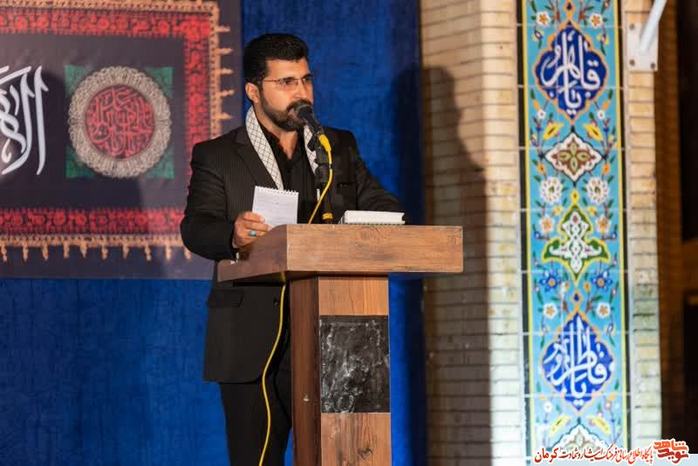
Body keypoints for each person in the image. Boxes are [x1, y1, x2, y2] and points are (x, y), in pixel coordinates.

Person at [180, 33, 402, 465]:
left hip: (335, 333)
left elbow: (383, 206)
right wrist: (233, 234)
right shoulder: (218, 155)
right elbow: (195, 228)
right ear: (253, 91)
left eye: (305, 80)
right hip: (251, 338)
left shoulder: (336, 147)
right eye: (286, 82)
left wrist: (369, 230)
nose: (301, 93)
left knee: (341, 454)